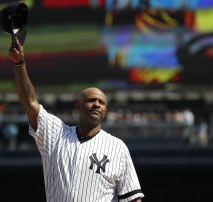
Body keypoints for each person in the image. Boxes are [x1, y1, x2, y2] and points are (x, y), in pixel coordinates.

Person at [9, 38, 144, 202]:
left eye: (101, 102)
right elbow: (30, 103)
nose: (96, 104)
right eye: (91, 100)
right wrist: (19, 64)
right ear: (78, 106)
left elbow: (133, 199)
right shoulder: (56, 135)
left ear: (105, 111)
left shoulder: (117, 147)